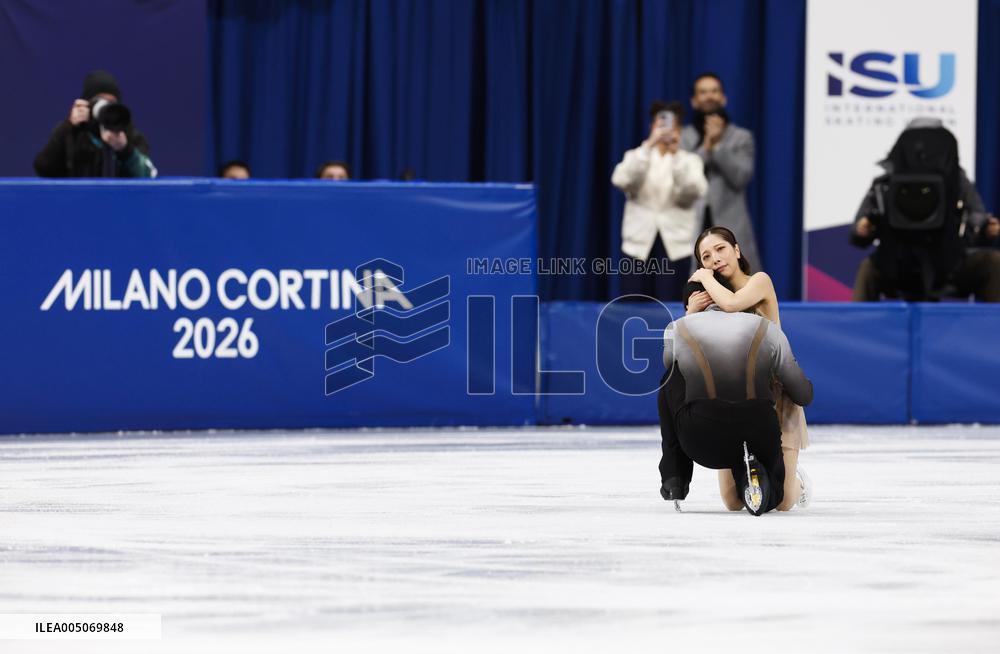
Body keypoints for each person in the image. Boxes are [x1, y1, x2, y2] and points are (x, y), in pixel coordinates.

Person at [658, 281, 813, 515]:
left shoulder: (676, 329)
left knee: (670, 377)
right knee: (777, 497)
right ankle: (759, 476)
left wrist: (688, 317)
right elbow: (802, 393)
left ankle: (675, 477)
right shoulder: (765, 327)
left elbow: (671, 370)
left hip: (702, 441)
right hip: (758, 431)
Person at [686, 226, 809, 511]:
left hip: (777, 393)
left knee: (784, 502)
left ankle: (795, 481)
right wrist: (691, 313)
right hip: (734, 397)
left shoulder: (759, 282)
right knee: (732, 502)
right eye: (706, 257)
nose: (714, 259)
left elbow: (731, 304)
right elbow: (691, 347)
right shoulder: (708, 299)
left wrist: (703, 277)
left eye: (720, 249)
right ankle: (756, 469)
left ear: (737, 250)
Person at [849, 118, 1000, 302]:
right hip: (898, 262)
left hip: (951, 262)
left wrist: (986, 229)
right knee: (868, 269)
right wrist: (863, 229)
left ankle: (994, 329)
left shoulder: (958, 183)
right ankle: (859, 327)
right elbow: (859, 228)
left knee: (992, 262)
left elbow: (977, 217)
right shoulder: (885, 184)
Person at [611, 101, 707, 301]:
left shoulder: (689, 161)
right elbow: (621, 180)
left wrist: (676, 158)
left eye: (671, 124)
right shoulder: (636, 155)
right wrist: (648, 147)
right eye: (660, 124)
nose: (665, 130)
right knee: (632, 302)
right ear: (651, 127)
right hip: (637, 244)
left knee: (670, 302)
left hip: (675, 244)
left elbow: (694, 191)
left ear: (679, 129)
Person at [680, 73, 760, 272]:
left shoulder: (741, 137)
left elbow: (741, 177)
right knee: (696, 287)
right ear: (694, 100)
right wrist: (707, 145)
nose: (709, 96)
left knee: (740, 284)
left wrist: (718, 147)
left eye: (714, 91)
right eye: (703, 92)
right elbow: (683, 177)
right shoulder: (683, 137)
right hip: (691, 223)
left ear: (723, 98)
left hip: (730, 222)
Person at [34, 70, 156, 178]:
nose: (105, 106)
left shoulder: (126, 133)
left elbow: (148, 175)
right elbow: (44, 169)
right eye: (100, 100)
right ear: (87, 103)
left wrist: (125, 150)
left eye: (111, 102)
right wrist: (68, 127)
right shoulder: (71, 131)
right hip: (77, 200)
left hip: (117, 201)